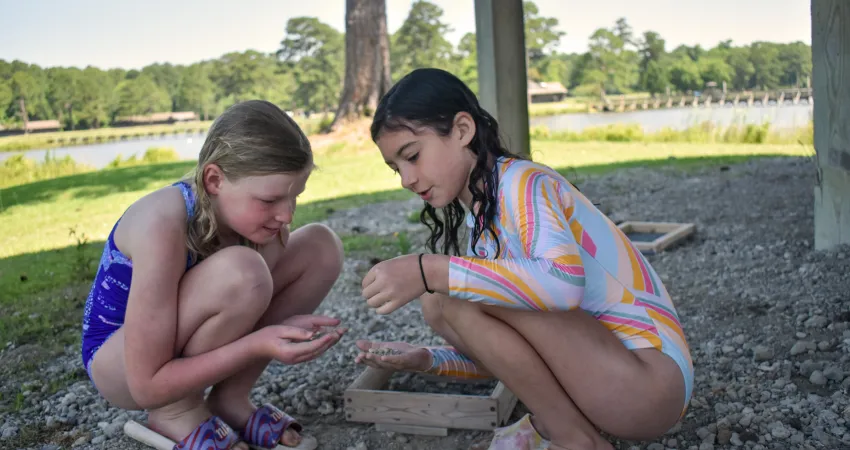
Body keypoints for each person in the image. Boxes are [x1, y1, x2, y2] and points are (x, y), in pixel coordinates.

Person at [354, 68, 693, 450]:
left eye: (412, 156)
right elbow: (513, 360)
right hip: (613, 383)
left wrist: (427, 268)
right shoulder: (483, 224)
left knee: (446, 295)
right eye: (396, 167)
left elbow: (564, 283)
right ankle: (566, 430)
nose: (406, 179)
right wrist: (426, 360)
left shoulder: (523, 183)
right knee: (441, 301)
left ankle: (573, 439)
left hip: (650, 384)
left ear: (462, 130)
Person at [81, 100, 347, 450]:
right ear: (214, 179)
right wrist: (257, 343)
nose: (286, 215)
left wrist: (269, 330)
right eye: (270, 200)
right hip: (123, 365)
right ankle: (176, 412)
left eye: (294, 197)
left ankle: (231, 399)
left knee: (320, 245)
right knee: (244, 272)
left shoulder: (257, 225)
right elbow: (145, 382)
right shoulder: (162, 223)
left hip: (171, 346)